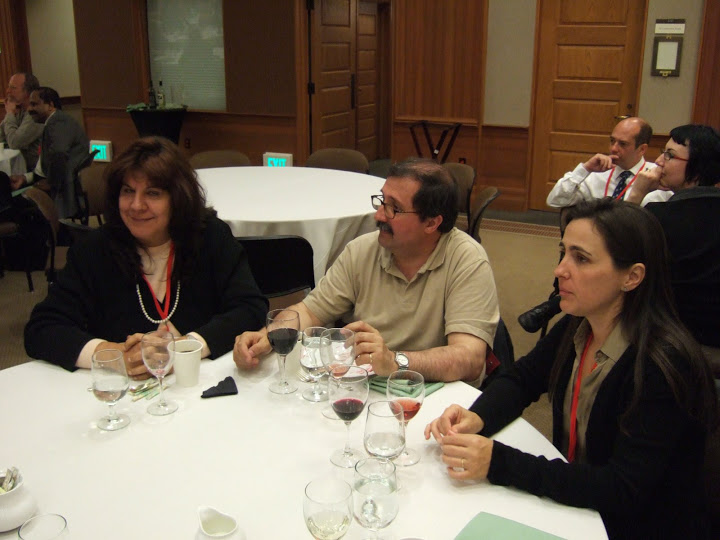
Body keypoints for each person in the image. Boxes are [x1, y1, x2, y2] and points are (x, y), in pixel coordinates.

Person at [425, 198, 718, 539]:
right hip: (579, 502)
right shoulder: (579, 324)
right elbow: (521, 379)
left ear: (632, 276)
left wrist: (498, 462)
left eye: (581, 258)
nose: (560, 270)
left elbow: (622, 489)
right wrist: (478, 416)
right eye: (563, 252)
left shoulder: (663, 366)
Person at [234, 158, 499, 385]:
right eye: (381, 201)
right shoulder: (362, 250)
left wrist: (395, 361)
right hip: (367, 386)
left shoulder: (466, 261)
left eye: (394, 208)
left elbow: (469, 358)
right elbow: (310, 312)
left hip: (436, 395)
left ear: (431, 223)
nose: (379, 215)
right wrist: (269, 335)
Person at [25, 136, 268, 378]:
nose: (136, 205)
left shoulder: (210, 236)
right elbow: (41, 329)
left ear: (178, 199)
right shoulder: (94, 250)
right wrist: (115, 354)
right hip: (121, 390)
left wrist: (186, 347)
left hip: (199, 381)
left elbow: (250, 308)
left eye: (153, 193)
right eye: (128, 191)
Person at [628, 124, 720, 390]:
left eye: (669, 155)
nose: (659, 161)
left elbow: (613, 249)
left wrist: (636, 194)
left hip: (672, 345)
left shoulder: (659, 217)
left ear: (697, 169)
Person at [546, 117, 672, 207]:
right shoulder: (597, 173)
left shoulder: (657, 177)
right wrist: (585, 169)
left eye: (623, 144)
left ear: (642, 149)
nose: (613, 148)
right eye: (612, 141)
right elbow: (555, 201)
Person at [9, 87, 90, 218]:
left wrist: (51, 183)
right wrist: (25, 178)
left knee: (12, 207)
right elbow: (45, 167)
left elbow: (60, 154)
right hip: (47, 184)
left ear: (50, 105)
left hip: (61, 193)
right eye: (29, 104)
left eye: (34, 104)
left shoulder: (58, 122)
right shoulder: (54, 122)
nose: (29, 109)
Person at [0, 72, 43, 172]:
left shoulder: (36, 114)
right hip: (19, 168)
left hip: (35, 173)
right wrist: (11, 115)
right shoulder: (19, 110)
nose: (8, 91)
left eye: (13, 88)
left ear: (28, 92)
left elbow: (15, 143)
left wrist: (9, 114)